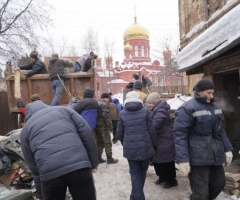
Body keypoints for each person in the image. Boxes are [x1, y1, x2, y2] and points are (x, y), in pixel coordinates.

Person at [20, 100, 98, 200]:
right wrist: (93, 162)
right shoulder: (64, 110)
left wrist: (41, 189)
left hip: (50, 174)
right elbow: (86, 132)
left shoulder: (25, 129)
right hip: (78, 166)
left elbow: (30, 161)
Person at [174, 79, 233, 200]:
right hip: (197, 157)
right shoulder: (188, 108)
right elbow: (180, 134)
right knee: (200, 193)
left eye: (212, 93)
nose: (211, 96)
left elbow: (220, 129)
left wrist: (228, 149)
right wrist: (183, 160)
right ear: (199, 92)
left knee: (219, 184)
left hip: (215, 155)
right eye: (209, 93)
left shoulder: (215, 106)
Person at [117, 91, 156, 200]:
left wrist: (125, 143)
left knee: (134, 173)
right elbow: (151, 130)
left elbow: (119, 133)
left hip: (130, 149)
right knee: (142, 172)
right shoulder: (146, 111)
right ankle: (139, 197)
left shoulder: (122, 113)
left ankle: (134, 196)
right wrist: (154, 144)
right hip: (146, 146)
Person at [146, 92, 177, 188]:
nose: (148, 105)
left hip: (164, 139)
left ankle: (171, 180)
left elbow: (155, 125)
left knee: (166, 161)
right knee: (158, 160)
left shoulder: (160, 111)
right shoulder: (155, 110)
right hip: (159, 139)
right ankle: (162, 178)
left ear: (155, 102)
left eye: (150, 103)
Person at [95, 93, 118, 164]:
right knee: (107, 142)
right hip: (103, 126)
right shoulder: (104, 104)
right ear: (106, 98)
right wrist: (110, 126)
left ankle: (98, 157)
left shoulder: (96, 103)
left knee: (100, 142)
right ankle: (109, 158)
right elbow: (106, 116)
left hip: (96, 126)